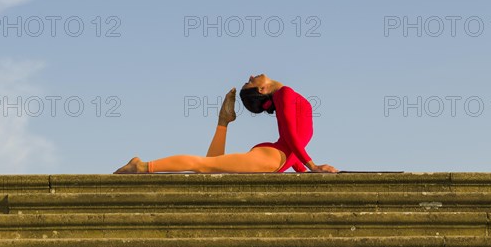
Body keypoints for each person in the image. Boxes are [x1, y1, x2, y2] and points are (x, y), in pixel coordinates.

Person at [113, 74, 338, 174]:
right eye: (250, 81)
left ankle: (223, 121)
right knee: (203, 166)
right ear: (262, 90)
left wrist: (301, 168)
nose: (251, 75)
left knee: (209, 167)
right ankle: (142, 167)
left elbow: (292, 138)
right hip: (273, 156)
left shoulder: (284, 95)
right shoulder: (285, 93)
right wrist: (312, 166)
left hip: (276, 156)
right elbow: (289, 133)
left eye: (249, 80)